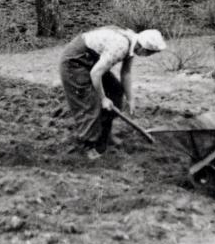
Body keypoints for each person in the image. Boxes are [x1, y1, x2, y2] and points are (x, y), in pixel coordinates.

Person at [59, 26, 167, 160]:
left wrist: (130, 99)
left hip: (91, 62)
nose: (149, 56)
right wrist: (103, 99)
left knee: (115, 90)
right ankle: (88, 145)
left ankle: (105, 134)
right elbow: (96, 73)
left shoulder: (132, 42)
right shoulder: (121, 46)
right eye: (150, 53)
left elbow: (126, 72)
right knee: (90, 103)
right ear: (143, 48)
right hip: (75, 62)